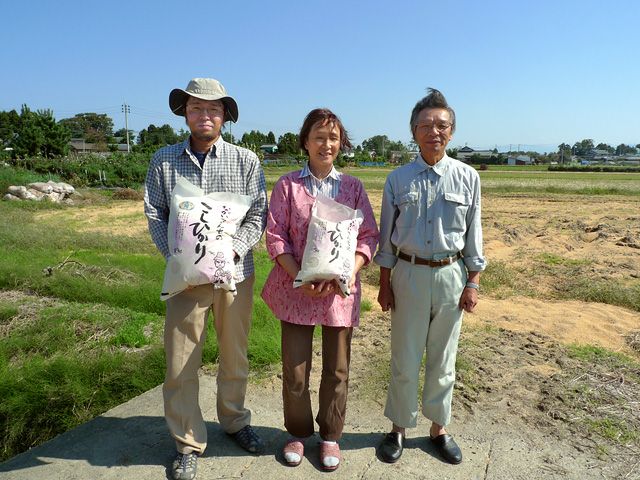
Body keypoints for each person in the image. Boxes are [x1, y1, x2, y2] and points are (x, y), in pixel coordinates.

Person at [144, 78, 268, 480]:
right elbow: (155, 213)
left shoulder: (246, 160)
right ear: (185, 113)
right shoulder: (164, 160)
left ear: (224, 116)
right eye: (196, 107)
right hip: (186, 280)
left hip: (235, 275)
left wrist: (233, 251)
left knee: (234, 353)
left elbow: (258, 214)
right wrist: (178, 258)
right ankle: (187, 442)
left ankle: (234, 420)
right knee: (181, 360)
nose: (204, 115)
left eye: (213, 109)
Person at [261, 108, 379, 471]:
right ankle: (298, 432)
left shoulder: (353, 188)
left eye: (333, 138)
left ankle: (330, 436)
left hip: (338, 293)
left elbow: (368, 236)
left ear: (341, 143)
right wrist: (301, 276)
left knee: (337, 369)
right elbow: (276, 236)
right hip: (297, 290)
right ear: (305, 142)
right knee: (295, 370)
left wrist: (347, 272)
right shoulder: (287, 186)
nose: (326, 144)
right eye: (319, 137)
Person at [374, 88, 486, 465]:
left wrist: (472, 282)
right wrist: (384, 284)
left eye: (441, 125)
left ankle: (439, 428)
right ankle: (398, 428)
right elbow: (386, 239)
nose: (433, 132)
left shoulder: (468, 177)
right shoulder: (398, 180)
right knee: (404, 358)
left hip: (452, 275)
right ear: (414, 131)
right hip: (408, 273)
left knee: (444, 358)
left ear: (451, 132)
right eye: (425, 125)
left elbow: (474, 235)